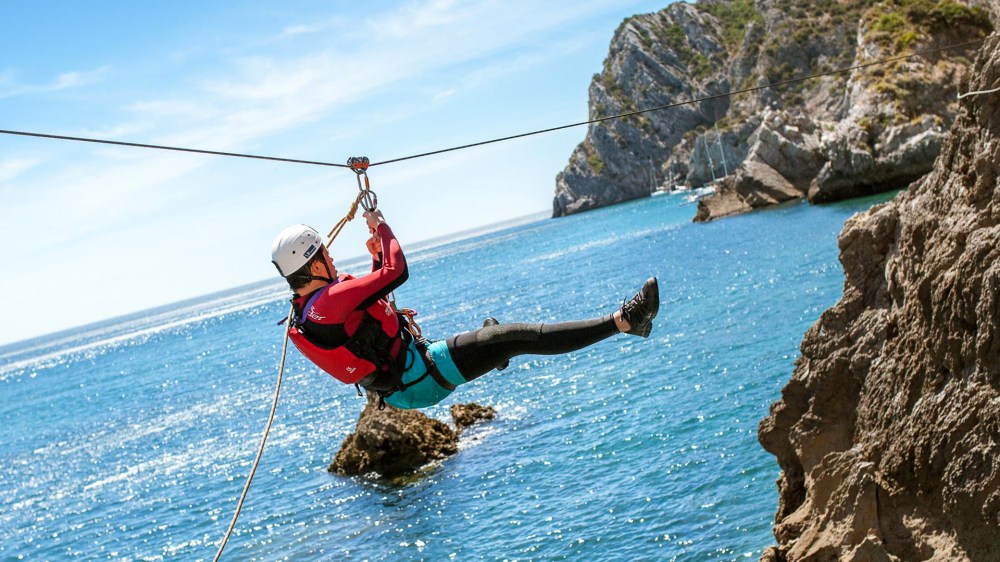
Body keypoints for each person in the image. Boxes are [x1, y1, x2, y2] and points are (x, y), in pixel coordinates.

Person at [270, 210, 659, 410]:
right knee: (514, 338)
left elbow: (366, 317)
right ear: (313, 263)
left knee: (493, 340)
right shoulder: (330, 301)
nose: (331, 255)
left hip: (407, 380)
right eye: (324, 252)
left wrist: (374, 262)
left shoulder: (310, 309)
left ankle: (492, 349)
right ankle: (626, 322)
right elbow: (397, 272)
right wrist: (383, 228)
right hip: (420, 377)